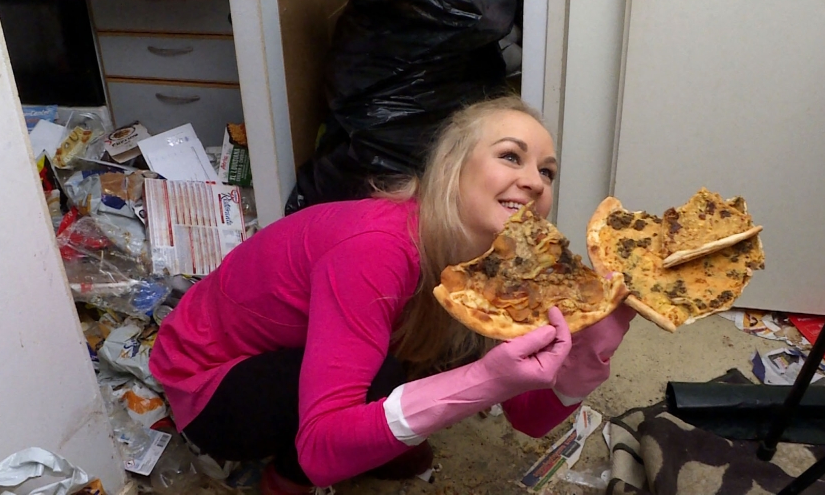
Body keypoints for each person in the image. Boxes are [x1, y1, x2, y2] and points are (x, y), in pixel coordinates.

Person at [149, 96, 635, 494]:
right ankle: (283, 482)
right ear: (451, 166)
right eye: (511, 156)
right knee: (391, 381)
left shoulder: (505, 267)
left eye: (547, 172)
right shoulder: (376, 250)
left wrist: (597, 340)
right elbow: (320, 449)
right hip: (209, 379)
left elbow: (528, 417)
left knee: (438, 363)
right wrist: (481, 381)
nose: (534, 181)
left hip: (306, 347)